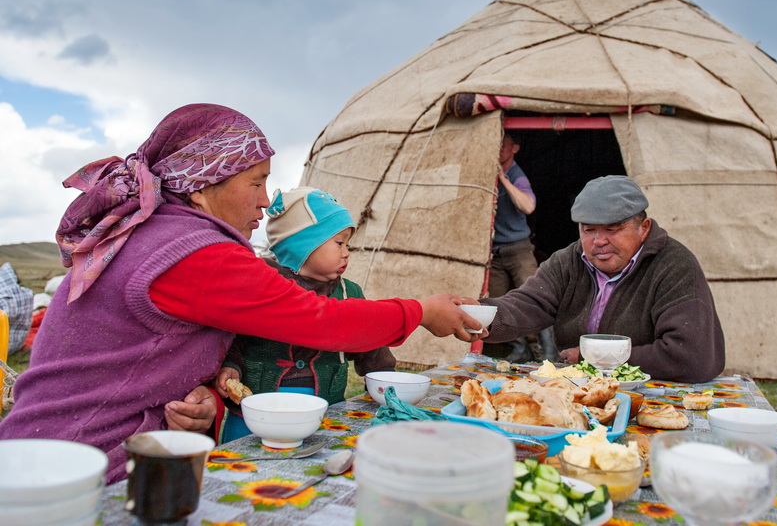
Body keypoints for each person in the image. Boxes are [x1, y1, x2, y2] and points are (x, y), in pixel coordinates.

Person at [0, 103, 484, 483]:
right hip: (82, 458)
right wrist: (420, 311)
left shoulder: (151, 234)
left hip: (61, 445)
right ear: (200, 186)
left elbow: (131, 355)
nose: (265, 201)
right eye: (256, 182)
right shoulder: (191, 252)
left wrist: (204, 397)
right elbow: (320, 319)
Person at [479, 175, 725, 383]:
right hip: (580, 393)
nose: (599, 241)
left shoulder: (674, 265)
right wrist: (472, 315)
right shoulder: (568, 261)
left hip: (652, 398)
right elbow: (528, 304)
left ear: (645, 228)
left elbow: (693, 357)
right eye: (589, 230)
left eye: (612, 229)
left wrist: (593, 358)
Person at [215, 186, 395, 442]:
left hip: (324, 412)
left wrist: (384, 375)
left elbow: (368, 339)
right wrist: (230, 365)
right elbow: (233, 335)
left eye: (348, 245)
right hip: (254, 415)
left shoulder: (348, 292)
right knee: (241, 466)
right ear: (303, 245)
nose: (346, 252)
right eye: (339, 243)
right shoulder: (260, 284)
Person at [487, 131, 559, 362]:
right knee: (498, 301)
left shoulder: (517, 176)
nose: (499, 149)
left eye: (504, 145)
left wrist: (503, 179)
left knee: (536, 297)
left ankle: (549, 351)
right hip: (495, 252)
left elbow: (528, 206)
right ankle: (520, 348)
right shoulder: (487, 173)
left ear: (515, 148)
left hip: (518, 249)